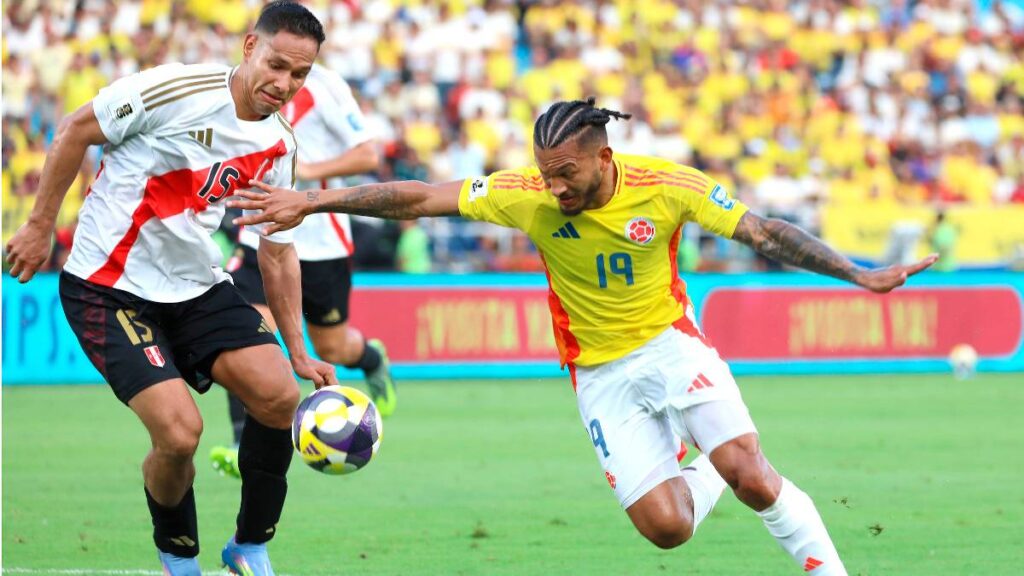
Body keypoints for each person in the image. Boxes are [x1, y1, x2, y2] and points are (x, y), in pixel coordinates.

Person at [232, 98, 938, 575]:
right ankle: (708, 465)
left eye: (565, 173)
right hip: (598, 373)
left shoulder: (668, 186)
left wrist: (859, 275)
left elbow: (766, 232)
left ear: (603, 157)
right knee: (667, 529)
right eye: (544, 174)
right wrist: (314, 200)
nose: (553, 187)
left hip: (672, 345)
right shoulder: (530, 194)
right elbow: (418, 199)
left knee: (753, 476)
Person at [4, 3, 335, 574]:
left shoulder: (280, 144)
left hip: (196, 286)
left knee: (280, 394)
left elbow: (277, 251)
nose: (285, 84)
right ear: (250, 47)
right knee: (181, 433)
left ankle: (250, 546)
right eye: (278, 65)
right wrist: (38, 226)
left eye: (300, 75)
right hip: (109, 287)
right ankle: (179, 557)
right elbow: (77, 128)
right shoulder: (174, 89)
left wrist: (299, 348)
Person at [210, 60, 396, 480]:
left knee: (332, 350)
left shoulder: (327, 85)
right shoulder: (240, 82)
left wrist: (305, 171)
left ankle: (369, 358)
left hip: (320, 240)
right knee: (248, 333)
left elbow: (368, 153)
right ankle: (243, 443)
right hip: (261, 233)